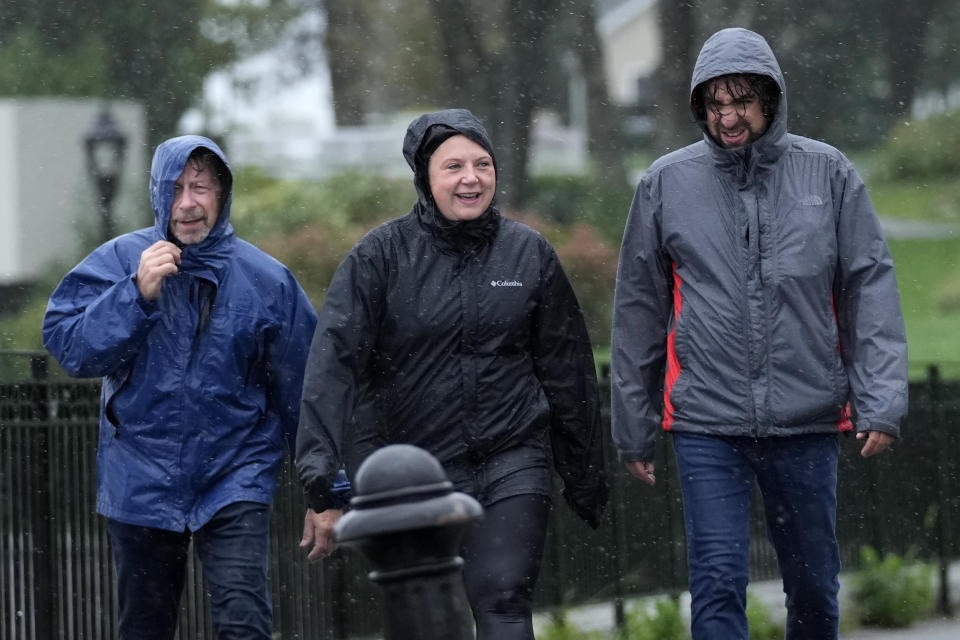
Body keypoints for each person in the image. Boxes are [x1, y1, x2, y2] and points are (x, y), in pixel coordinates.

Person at [611, 28, 908, 640]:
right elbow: (638, 311)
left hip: (808, 417)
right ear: (700, 105)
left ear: (770, 99)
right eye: (716, 103)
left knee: (813, 584)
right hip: (705, 422)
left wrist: (880, 401)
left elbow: (868, 290)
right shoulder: (666, 184)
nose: (729, 116)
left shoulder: (828, 174)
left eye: (742, 100)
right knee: (717, 580)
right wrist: (634, 426)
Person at [295, 108, 608, 640]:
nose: (471, 178)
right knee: (427, 620)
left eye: (482, 164)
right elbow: (331, 370)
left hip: (512, 458)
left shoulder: (527, 254)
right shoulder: (379, 258)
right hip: (413, 470)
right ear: (425, 177)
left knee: (504, 598)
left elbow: (566, 369)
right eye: (454, 166)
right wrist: (323, 484)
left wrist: (584, 474)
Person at [42, 135, 318, 640]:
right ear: (156, 194)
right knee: (145, 627)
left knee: (244, 622)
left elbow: (305, 391)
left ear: (223, 194)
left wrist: (327, 491)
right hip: (140, 476)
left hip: (236, 473)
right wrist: (135, 296)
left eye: (201, 187)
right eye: (175, 188)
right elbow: (69, 347)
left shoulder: (268, 281)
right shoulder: (119, 261)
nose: (187, 203)